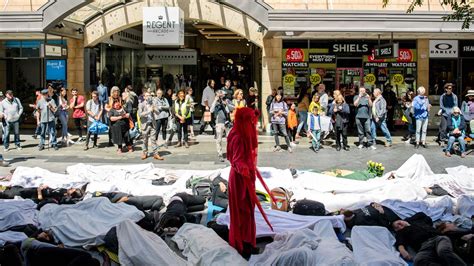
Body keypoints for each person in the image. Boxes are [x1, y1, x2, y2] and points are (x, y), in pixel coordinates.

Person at [226, 107, 274, 258]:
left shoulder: (238, 132)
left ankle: (247, 242)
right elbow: (236, 160)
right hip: (240, 180)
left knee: (246, 211)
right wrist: (246, 170)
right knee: (243, 212)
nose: (254, 125)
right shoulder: (238, 136)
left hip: (243, 178)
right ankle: (244, 245)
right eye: (252, 121)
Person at [393, 212, 466, 265]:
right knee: (419, 260)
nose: (399, 226)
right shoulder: (401, 232)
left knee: (443, 251)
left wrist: (407, 221)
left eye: (399, 223)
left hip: (437, 239)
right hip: (424, 247)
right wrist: (402, 251)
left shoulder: (416, 221)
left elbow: (422, 215)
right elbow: (400, 242)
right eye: (396, 228)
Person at [138, 92, 164, 160]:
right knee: (145, 140)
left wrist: (154, 108)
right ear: (144, 97)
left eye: (149, 95)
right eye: (147, 96)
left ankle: (155, 154)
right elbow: (140, 114)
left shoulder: (153, 103)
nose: (148, 97)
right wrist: (148, 111)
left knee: (153, 140)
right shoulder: (141, 104)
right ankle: (145, 153)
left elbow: (158, 112)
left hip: (152, 124)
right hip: (145, 124)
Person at [211, 90, 231, 162]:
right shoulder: (215, 102)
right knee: (219, 139)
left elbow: (228, 111)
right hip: (219, 123)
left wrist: (225, 104)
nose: (220, 95)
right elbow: (211, 110)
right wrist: (215, 100)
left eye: (221, 94)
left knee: (229, 139)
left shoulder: (224, 101)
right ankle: (220, 153)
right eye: (219, 94)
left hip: (226, 123)